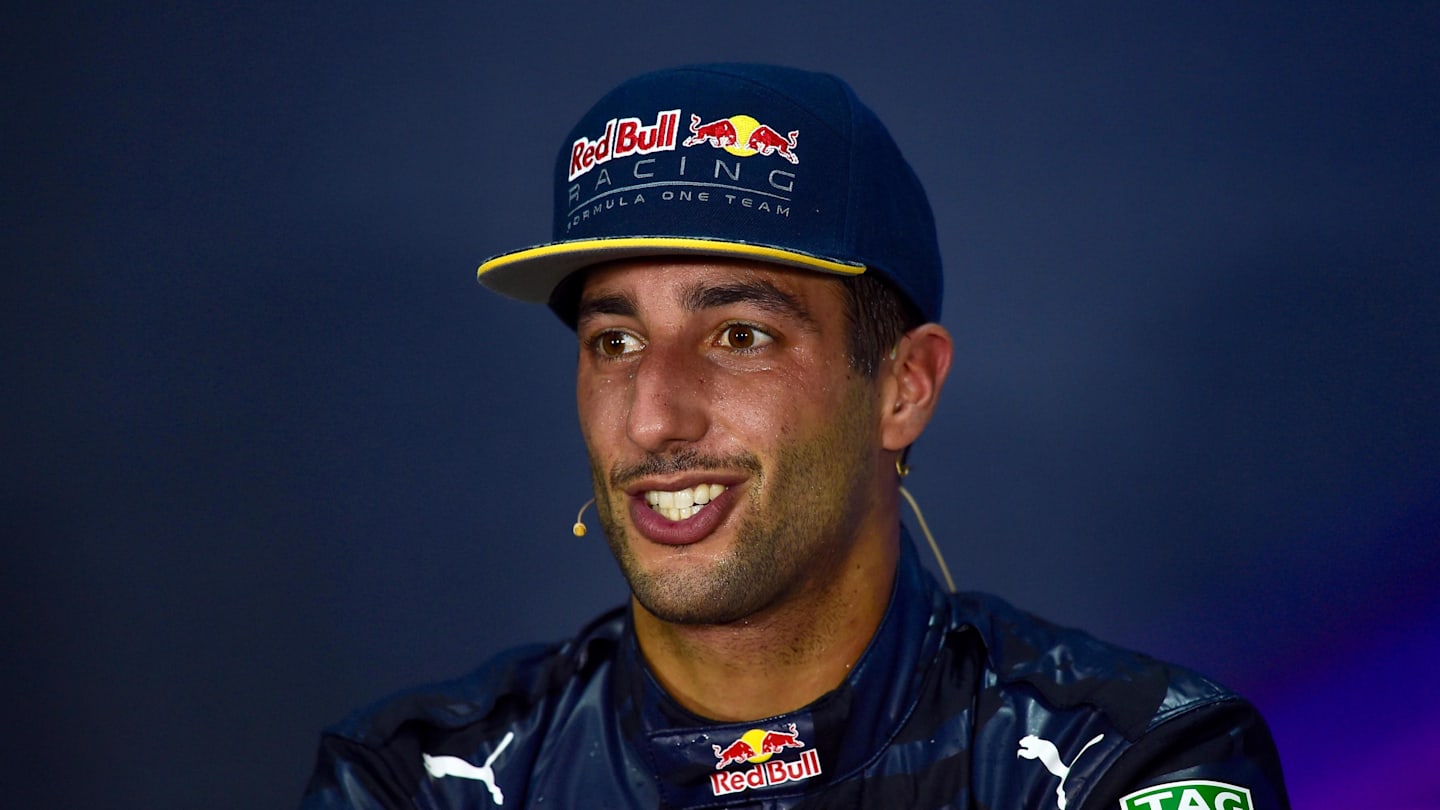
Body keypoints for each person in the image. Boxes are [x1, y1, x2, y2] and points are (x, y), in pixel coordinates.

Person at [301, 63, 1289, 809]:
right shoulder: (420, 782)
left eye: (740, 335)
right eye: (615, 340)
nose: (652, 417)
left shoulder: (1127, 763)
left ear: (904, 385)